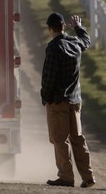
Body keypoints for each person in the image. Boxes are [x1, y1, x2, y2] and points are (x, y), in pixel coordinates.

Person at [41, 13, 96, 188]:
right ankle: (88, 177)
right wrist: (78, 27)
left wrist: (45, 96)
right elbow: (86, 40)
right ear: (63, 26)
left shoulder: (53, 48)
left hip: (58, 101)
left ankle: (66, 177)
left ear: (50, 29)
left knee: (60, 139)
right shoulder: (75, 43)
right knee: (78, 138)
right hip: (75, 100)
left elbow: (49, 77)